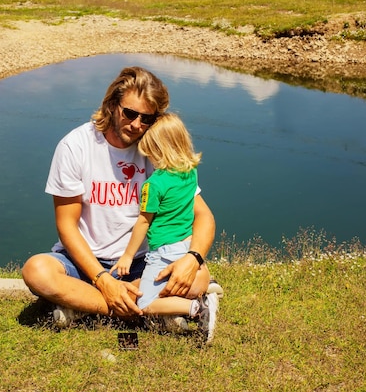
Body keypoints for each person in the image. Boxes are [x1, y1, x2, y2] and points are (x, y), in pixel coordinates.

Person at [21, 66, 220, 332]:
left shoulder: (156, 150)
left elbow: (203, 215)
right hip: (85, 263)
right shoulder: (75, 146)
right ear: (112, 105)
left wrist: (192, 258)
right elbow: (66, 225)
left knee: (199, 276)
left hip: (143, 262)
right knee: (37, 271)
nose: (137, 124)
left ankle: (85, 306)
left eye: (147, 118)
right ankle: (144, 309)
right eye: (130, 113)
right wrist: (102, 278)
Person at [109, 112, 218, 343]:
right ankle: (187, 306)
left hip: (163, 252)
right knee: (163, 289)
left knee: (146, 303)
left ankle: (197, 310)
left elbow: (143, 221)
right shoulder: (189, 172)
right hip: (186, 245)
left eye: (148, 152)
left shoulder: (153, 184)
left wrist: (127, 256)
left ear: (157, 151)